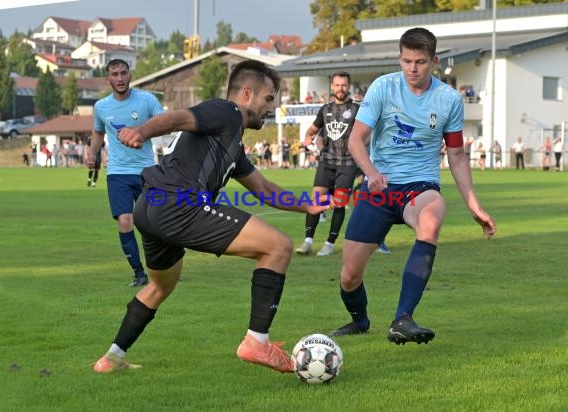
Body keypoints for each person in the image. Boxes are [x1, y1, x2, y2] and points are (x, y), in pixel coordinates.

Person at [92, 60, 332, 374]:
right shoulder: (227, 112)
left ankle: (111, 358)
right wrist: (141, 130)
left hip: (150, 208)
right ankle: (256, 342)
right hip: (179, 204)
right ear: (247, 94)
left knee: (160, 287)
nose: (272, 107)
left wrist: (307, 206)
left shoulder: (231, 143)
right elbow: (178, 117)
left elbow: (263, 187)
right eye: (269, 99)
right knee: (279, 247)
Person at [329, 28, 496, 345]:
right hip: (378, 189)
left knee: (431, 221)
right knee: (349, 276)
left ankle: (402, 319)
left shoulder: (449, 100)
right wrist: (371, 172)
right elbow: (355, 140)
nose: (412, 68)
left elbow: (457, 155)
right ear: (400, 58)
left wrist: (475, 205)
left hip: (420, 186)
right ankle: (360, 320)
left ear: (433, 61)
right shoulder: (383, 87)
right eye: (406, 61)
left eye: (420, 62)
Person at [86, 59, 165, 287]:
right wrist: (92, 153)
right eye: (115, 74)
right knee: (125, 221)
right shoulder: (101, 107)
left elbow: (163, 122)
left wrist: (142, 132)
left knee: (154, 223)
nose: (119, 78)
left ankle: (167, 266)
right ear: (108, 79)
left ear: (130, 75)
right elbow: (98, 132)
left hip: (146, 172)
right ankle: (139, 273)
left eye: (123, 73)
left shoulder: (147, 100)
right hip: (117, 173)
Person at [295, 71, 360, 257]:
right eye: (337, 85)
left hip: (347, 163)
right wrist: (309, 136)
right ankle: (308, 241)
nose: (341, 89)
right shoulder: (325, 109)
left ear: (349, 86)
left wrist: (361, 144)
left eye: (344, 85)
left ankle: (330, 243)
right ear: (332, 86)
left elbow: (366, 131)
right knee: (316, 200)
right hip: (326, 161)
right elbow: (313, 129)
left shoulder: (356, 109)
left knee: (339, 203)